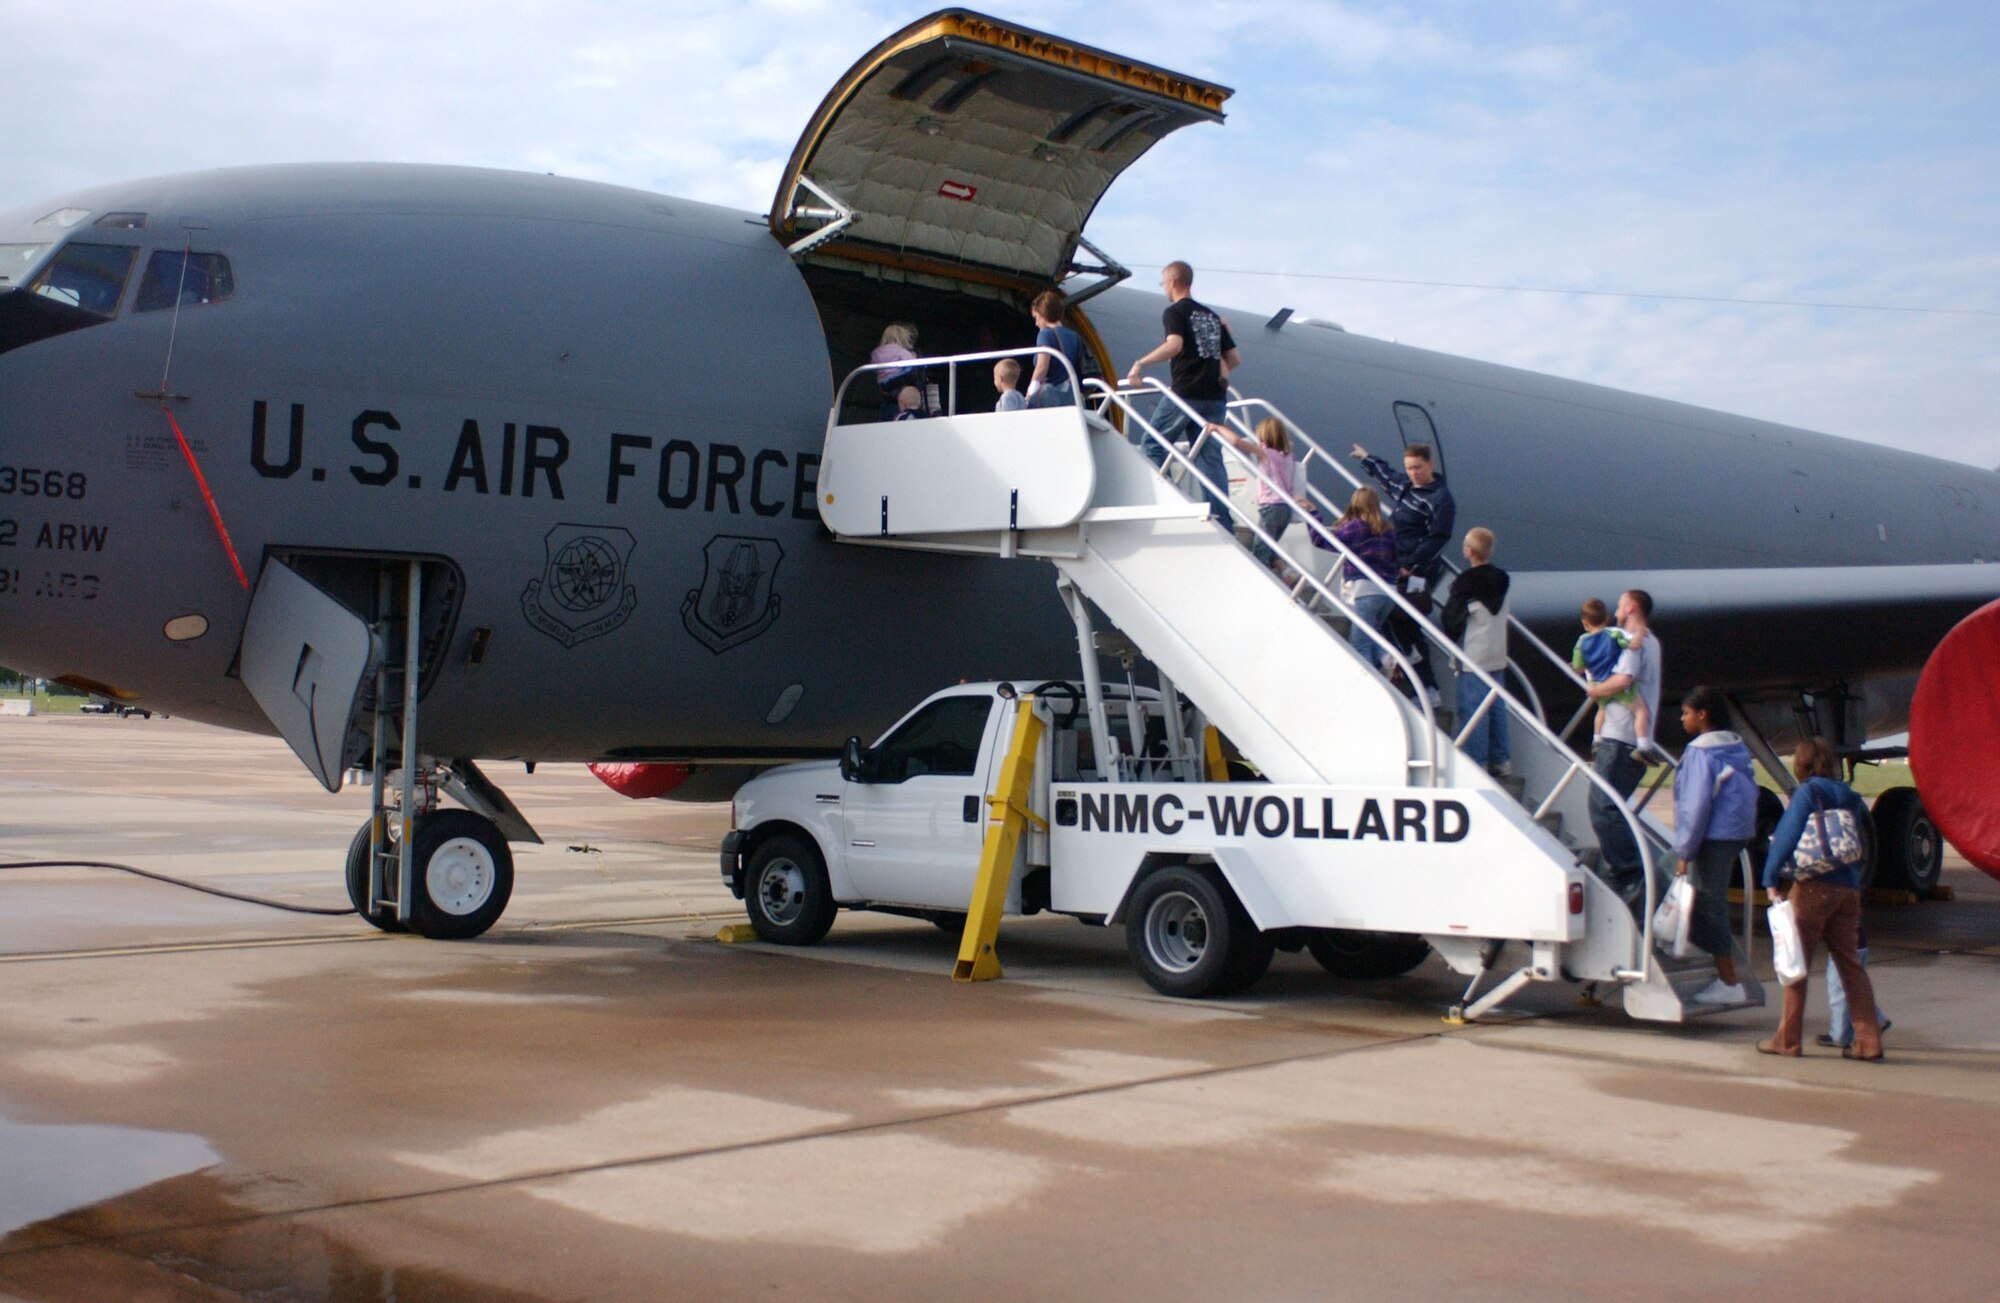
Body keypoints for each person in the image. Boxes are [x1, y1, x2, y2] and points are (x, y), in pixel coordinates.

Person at [1759, 737, 1885, 1058]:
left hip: (1814, 887)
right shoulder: (1851, 797)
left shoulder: (1808, 792)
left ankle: (1787, 1040)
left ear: (1800, 766)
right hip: (1848, 889)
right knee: (1850, 966)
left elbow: (1787, 835)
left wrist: (1771, 876)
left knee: (1796, 964)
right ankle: (1868, 1043)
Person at [1124, 261, 1240, 522]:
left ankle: (1158, 505)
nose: (1163, 287)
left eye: (1163, 282)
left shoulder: (1175, 312)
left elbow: (1175, 345)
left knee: (1153, 445)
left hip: (1186, 393)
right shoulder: (1212, 316)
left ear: (1173, 282)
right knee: (1209, 457)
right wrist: (1221, 370)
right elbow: (1234, 358)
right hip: (1215, 398)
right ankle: (1222, 519)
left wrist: (1141, 363)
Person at [1348, 441, 1455, 707]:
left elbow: (1439, 537)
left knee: (1404, 622)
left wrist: (1413, 566)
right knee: (1392, 619)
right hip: (1396, 566)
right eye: (1410, 468)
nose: (1413, 473)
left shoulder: (1440, 499)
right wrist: (1367, 457)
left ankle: (1425, 684)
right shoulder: (1408, 488)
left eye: (1418, 468)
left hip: (1415, 570)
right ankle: (1405, 663)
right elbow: (1389, 479)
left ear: (1430, 465)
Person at [1671, 685, 1757, 1006]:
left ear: (1702, 715)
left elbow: (1695, 807)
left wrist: (1684, 851)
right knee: (1711, 899)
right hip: (1735, 832)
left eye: (1686, 713)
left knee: (1709, 903)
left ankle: (1728, 980)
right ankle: (1708, 953)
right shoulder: (1733, 746)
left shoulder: (1700, 752)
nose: (1682, 719)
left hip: (1713, 836)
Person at [1583, 588, 1662, 916]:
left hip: (1619, 737)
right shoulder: (1652, 641)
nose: (1615, 610)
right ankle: (1626, 869)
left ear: (1630, 607)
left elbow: (1622, 679)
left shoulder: (1632, 638)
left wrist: (1593, 689)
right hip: (1632, 738)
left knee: (1602, 805)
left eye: (1618, 605)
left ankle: (1627, 872)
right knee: (1612, 807)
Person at [1439, 527, 1510, 776]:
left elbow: (1450, 619)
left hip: (1473, 654)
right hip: (1497, 654)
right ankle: (1502, 760)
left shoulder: (1465, 584)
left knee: (1473, 710)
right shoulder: (1502, 579)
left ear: (1469, 551)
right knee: (1496, 708)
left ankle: (1476, 762)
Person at [1315, 487, 1397, 666]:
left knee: (1360, 645)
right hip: (1389, 592)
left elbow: (1324, 542)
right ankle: (1385, 656)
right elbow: (1397, 557)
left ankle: (1372, 679)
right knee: (1371, 631)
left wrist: (1313, 516)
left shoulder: (1356, 527)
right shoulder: (1388, 529)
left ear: (1355, 504)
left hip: (1364, 590)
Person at [1212, 417, 1303, 569]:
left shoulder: (1265, 453)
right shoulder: (1289, 457)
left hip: (1270, 507)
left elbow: (1237, 442)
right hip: (1285, 509)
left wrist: (1218, 427)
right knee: (1269, 545)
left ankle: (1262, 579)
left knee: (1260, 549)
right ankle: (1286, 573)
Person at [1572, 598, 1649, 744]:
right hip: (1615, 682)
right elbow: (1633, 645)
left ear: (1585, 623)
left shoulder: (1581, 642)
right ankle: (1643, 745)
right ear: (1607, 619)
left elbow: (1578, 667)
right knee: (1640, 711)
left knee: (1601, 712)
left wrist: (1574, 668)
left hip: (1596, 684)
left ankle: (1596, 738)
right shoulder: (1614, 634)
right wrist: (1639, 632)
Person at [1821, 920, 1890, 1048]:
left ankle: (1839, 1035)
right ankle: (1877, 1020)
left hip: (1845, 945)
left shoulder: (1833, 900)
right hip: (1855, 943)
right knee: (1854, 988)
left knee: (1839, 990)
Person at [1026, 290, 1084, 409]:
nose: (1036, 323)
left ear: (1043, 314)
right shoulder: (1075, 336)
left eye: (1036, 317)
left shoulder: (1045, 335)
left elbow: (1042, 366)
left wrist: (1030, 391)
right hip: (1071, 395)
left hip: (1050, 395)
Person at [872, 323, 921, 420]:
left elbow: (874, 368)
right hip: (900, 391)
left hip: (884, 390)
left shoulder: (877, 352)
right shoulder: (901, 351)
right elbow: (911, 364)